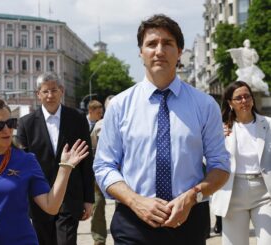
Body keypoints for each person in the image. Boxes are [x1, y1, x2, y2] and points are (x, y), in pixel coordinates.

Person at [93, 14, 230, 245]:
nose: (159, 50)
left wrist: (191, 197)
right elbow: (104, 165)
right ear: (140, 52)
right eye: (151, 44)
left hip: (189, 219)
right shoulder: (119, 106)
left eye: (167, 43)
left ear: (179, 51)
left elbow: (221, 165)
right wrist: (136, 201)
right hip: (133, 220)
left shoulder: (204, 105)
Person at [0, 97, 89, 244]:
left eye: (11, 123)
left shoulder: (26, 160)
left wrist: (65, 168)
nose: (7, 129)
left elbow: (51, 206)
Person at [17, 72, 94, 245]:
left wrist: (89, 198)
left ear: (62, 91)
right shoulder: (26, 124)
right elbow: (22, 165)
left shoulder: (77, 119)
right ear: (38, 94)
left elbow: (86, 161)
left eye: (54, 90)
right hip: (39, 199)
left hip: (70, 197)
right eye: (45, 91)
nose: (50, 95)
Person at [211, 81, 271, 245]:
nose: (244, 101)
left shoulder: (268, 124)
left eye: (247, 96)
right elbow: (207, 160)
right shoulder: (221, 129)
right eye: (238, 98)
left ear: (252, 99)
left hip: (265, 193)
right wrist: (217, 139)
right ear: (230, 103)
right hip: (233, 193)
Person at [90, 95, 114, 245]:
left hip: (122, 174)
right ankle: (99, 240)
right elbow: (92, 146)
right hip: (100, 174)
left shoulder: (127, 123)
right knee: (97, 206)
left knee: (124, 207)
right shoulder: (99, 125)